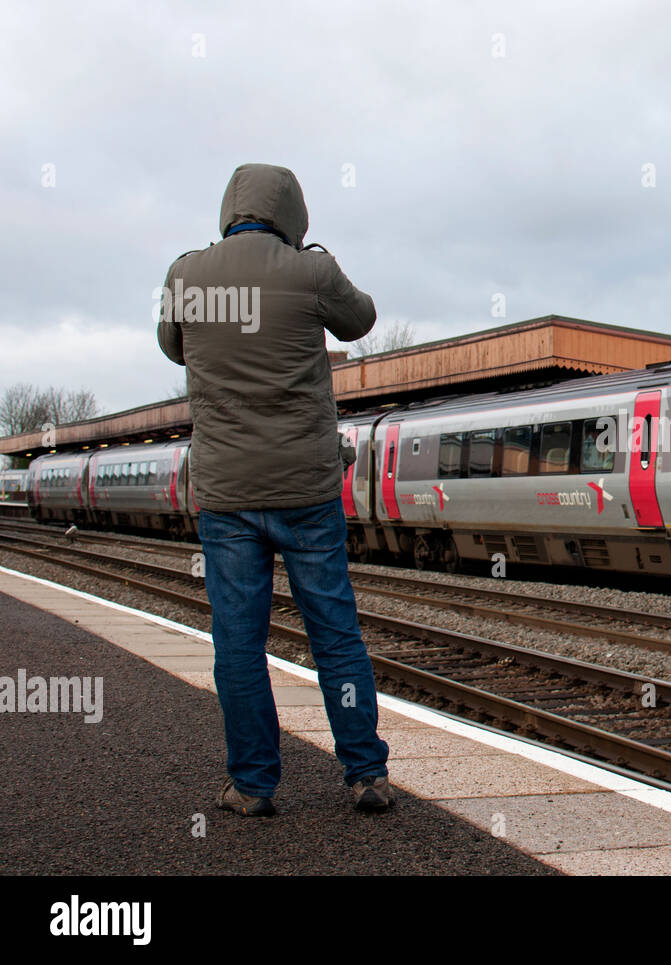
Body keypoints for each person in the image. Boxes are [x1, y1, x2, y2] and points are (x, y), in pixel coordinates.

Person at [158, 163, 393, 815]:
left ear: (228, 210)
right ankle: (365, 772)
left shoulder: (187, 275)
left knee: (238, 640)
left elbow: (173, 347)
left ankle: (253, 784)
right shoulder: (310, 272)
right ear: (292, 213)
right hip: (307, 489)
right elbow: (361, 320)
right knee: (334, 631)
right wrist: (319, 261)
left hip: (227, 494)